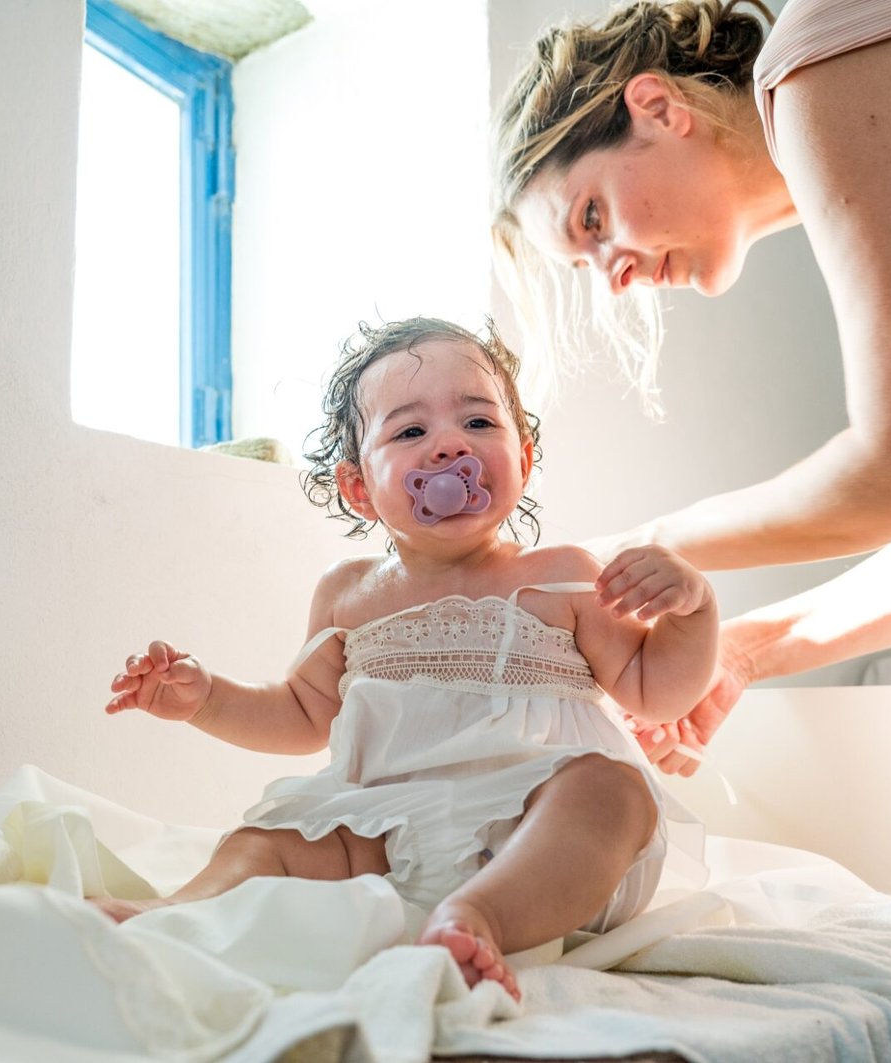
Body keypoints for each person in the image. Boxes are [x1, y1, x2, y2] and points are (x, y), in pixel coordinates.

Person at [491, 0, 891, 775]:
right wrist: (740, 653)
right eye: (586, 266)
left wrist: (634, 550)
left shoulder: (819, 70)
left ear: (657, 107)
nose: (613, 276)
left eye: (593, 217)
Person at [99, 317, 716, 1000]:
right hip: (386, 837)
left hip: (535, 837)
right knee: (269, 835)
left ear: (523, 457)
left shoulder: (563, 576)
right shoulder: (348, 593)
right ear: (359, 487)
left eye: (478, 422)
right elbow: (301, 712)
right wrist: (207, 698)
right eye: (411, 431)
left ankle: (480, 917)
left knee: (611, 790)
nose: (450, 444)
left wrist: (693, 611)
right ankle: (174, 913)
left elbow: (656, 690)